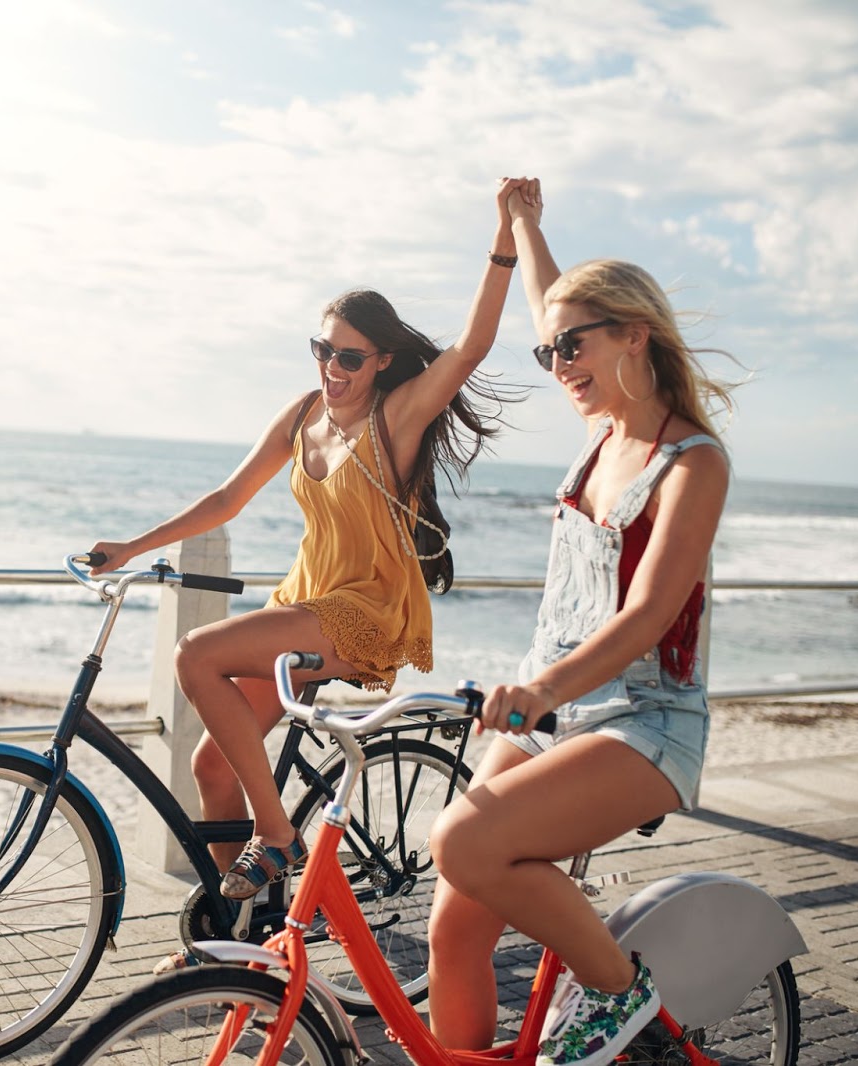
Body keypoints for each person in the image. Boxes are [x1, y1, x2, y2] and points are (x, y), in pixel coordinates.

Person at [90, 180, 527, 972]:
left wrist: (506, 232)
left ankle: (279, 834)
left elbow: (470, 348)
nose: (332, 366)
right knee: (210, 768)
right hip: (303, 603)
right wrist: (129, 546)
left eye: (349, 356)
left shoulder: (396, 419)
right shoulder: (302, 416)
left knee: (197, 656)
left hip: (362, 612)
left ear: (383, 361)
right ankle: (243, 943)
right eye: (321, 349)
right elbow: (227, 497)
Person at [425, 179, 736, 1066]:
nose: (558, 364)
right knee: (454, 924)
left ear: (635, 334)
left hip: (643, 723)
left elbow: (649, 615)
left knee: (462, 839)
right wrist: (523, 223)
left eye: (574, 347)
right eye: (547, 352)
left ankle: (620, 991)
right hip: (554, 709)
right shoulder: (602, 429)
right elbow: (550, 303)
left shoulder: (692, 464)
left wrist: (543, 688)